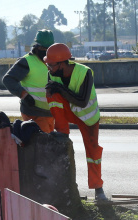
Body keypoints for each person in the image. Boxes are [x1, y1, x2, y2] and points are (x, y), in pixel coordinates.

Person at [43, 43, 108, 204]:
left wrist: (60, 88)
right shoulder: (52, 74)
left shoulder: (84, 73)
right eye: (47, 64)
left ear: (62, 63)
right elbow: (54, 95)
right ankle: (62, 131)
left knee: (93, 152)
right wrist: (56, 89)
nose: (48, 68)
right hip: (69, 112)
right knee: (51, 94)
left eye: (50, 65)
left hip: (88, 117)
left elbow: (82, 101)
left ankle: (98, 189)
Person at [2, 29, 55, 133]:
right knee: (42, 146)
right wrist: (24, 95)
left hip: (50, 113)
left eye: (48, 49)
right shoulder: (26, 61)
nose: (46, 51)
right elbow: (8, 79)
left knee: (49, 146)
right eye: (44, 48)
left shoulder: (53, 61)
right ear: (37, 46)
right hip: (33, 112)